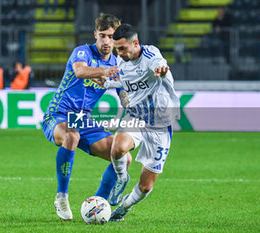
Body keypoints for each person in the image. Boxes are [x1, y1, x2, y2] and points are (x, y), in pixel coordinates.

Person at [42, 13, 132, 221]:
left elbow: (124, 97)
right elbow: (80, 72)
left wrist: (133, 104)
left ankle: (99, 204)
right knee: (71, 137)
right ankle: (62, 197)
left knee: (124, 157)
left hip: (83, 120)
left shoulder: (119, 63)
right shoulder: (82, 52)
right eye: (103, 35)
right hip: (58, 114)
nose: (106, 41)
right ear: (95, 35)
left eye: (111, 36)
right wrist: (107, 71)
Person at [97, 24, 180, 221]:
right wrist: (108, 83)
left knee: (145, 186)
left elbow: (158, 63)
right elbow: (127, 80)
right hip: (135, 116)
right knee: (117, 149)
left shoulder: (151, 55)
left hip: (159, 123)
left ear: (136, 43)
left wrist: (161, 69)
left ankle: (124, 207)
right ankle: (121, 177)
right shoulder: (122, 59)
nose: (119, 52)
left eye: (122, 48)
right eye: (117, 48)